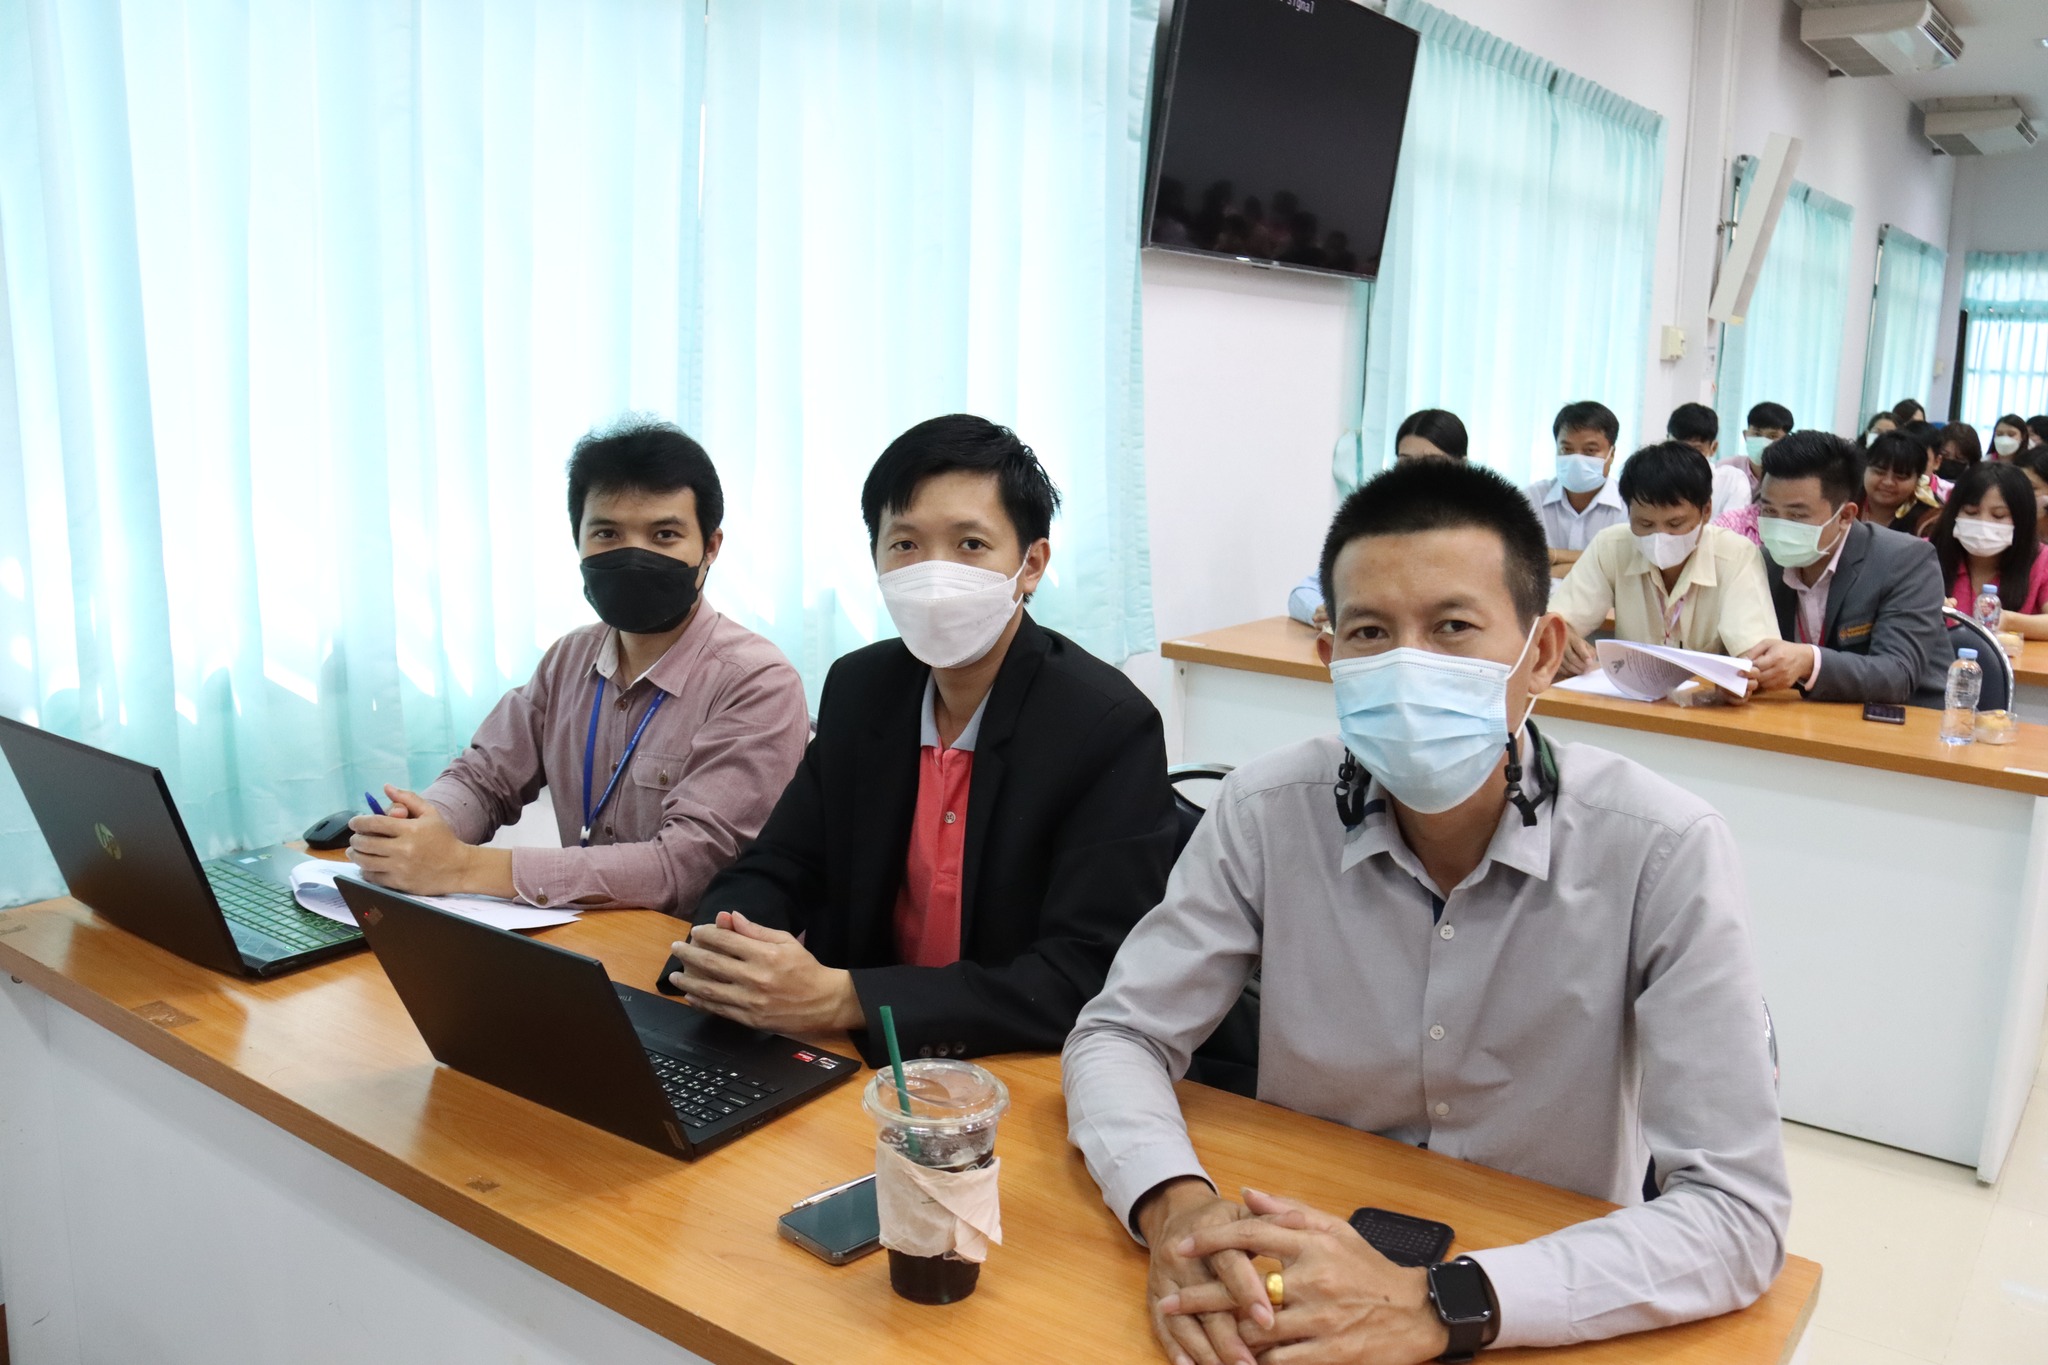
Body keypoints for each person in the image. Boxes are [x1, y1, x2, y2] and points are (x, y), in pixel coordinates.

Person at [1064, 458, 1789, 1364]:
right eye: (1371, 632)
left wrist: (1439, 1302)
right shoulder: (1265, 812)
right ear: (1330, 660)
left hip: (1539, 1291)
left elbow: (1736, 1213)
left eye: (1452, 627)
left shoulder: (1661, 849)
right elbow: (1119, 1035)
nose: (1409, 666)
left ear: (1543, 652)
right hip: (1295, 1261)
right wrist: (1174, 1205)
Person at [660, 414, 1177, 1065]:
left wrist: (847, 998)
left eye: (970, 544)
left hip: (1017, 1068)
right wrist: (727, 951)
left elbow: (1083, 974)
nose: (934, 574)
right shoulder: (861, 688)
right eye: (904, 544)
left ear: (1031, 564)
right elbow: (781, 864)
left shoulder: (1106, 725)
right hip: (859, 1066)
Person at [345, 419, 811, 916]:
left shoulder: (756, 682)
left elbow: (688, 866)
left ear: (710, 547)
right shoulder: (569, 659)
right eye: (607, 533)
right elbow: (485, 778)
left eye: (664, 535)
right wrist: (422, 826)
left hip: (691, 949)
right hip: (581, 934)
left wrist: (461, 868)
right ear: (578, 542)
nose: (634, 556)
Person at [1744, 432, 1952, 706]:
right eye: (1770, 512)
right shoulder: (1766, 562)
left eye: (1796, 515)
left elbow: (1897, 674)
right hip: (1804, 715)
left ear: (1845, 516)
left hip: (1905, 717)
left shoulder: (1905, 560)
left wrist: (1809, 661)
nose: (1781, 528)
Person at [1550, 442, 1779, 677]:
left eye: (1675, 524)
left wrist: (1747, 674)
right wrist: (1562, 638)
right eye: (1645, 524)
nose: (1660, 537)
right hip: (1630, 692)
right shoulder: (1612, 545)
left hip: (1709, 695)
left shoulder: (1736, 555)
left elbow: (1757, 655)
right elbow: (1556, 622)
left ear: (1706, 511)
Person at [1287, 409, 1469, 626]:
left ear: (1462, 466)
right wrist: (1322, 612)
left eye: (1432, 463)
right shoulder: (1379, 524)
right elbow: (1303, 592)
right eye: (1406, 463)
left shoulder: (1480, 531)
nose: (1417, 474)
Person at [1929, 462, 2048, 640]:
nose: (1983, 523)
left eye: (1999, 515)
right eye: (1971, 512)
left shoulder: (2042, 559)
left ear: (2022, 519)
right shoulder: (1924, 554)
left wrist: (2008, 620)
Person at [1522, 400, 1627, 571]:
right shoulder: (1533, 498)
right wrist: (1599, 563)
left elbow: (1622, 564)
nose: (1577, 459)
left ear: (1612, 453)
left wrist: (1553, 557)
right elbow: (1519, 559)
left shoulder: (1628, 503)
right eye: (1567, 450)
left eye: (1590, 451)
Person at [1666, 401, 1752, 519]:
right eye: (1677, 447)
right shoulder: (1650, 479)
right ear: (1666, 442)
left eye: (1695, 449)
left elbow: (1730, 528)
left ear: (1713, 448)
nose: (1684, 456)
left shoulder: (1732, 482)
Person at [1860, 430, 1943, 536]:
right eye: (1879, 472)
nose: (1888, 482)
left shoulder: (1930, 521)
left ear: (1918, 480)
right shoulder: (1846, 501)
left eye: (1900, 477)